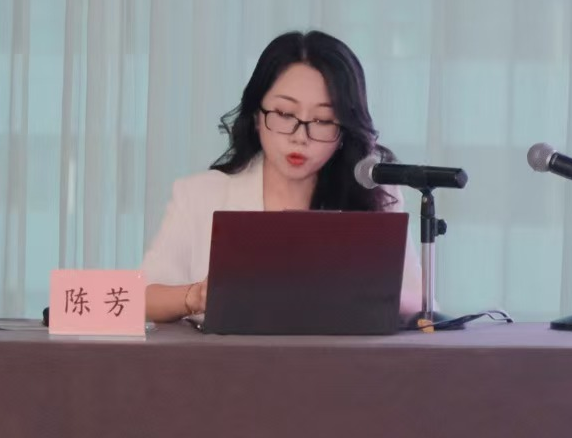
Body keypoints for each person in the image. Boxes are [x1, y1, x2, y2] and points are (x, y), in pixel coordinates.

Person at [142, 30, 423, 322]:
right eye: (285, 114)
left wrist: (345, 292)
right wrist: (195, 296)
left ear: (345, 130)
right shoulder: (199, 196)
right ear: (256, 116)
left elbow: (417, 302)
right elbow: (140, 298)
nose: (300, 137)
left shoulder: (375, 195)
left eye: (322, 120)